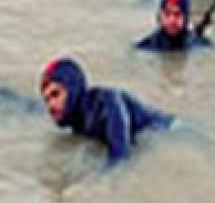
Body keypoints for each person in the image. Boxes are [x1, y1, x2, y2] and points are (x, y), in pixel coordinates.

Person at [40, 57, 174, 165]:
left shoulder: (106, 100)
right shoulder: (77, 122)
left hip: (172, 131)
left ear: (73, 89)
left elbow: (121, 157)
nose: (50, 105)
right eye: (47, 100)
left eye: (55, 94)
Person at [135, 0, 211, 52]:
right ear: (160, 16)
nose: (172, 20)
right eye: (167, 14)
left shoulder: (202, 45)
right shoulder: (144, 47)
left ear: (186, 17)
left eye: (177, 14)